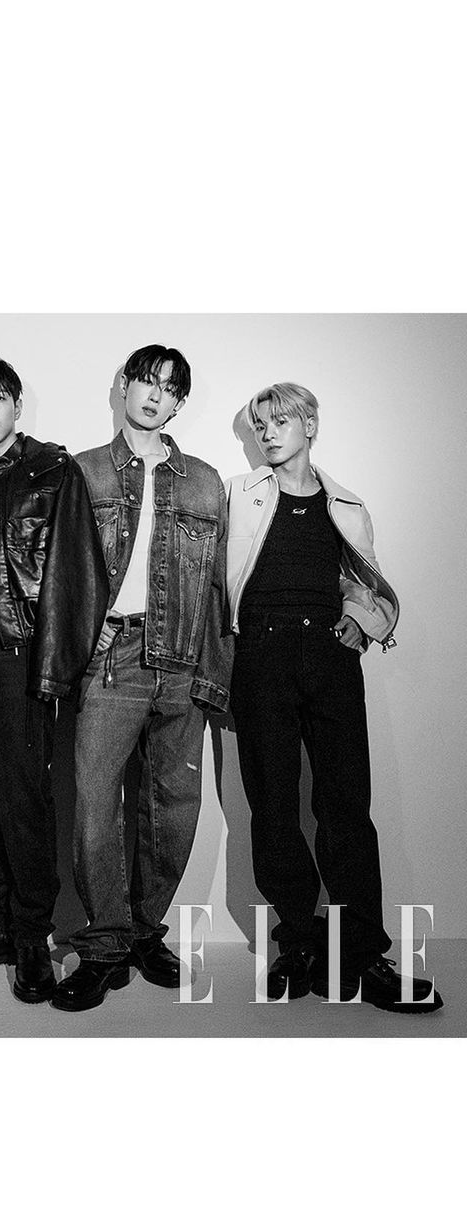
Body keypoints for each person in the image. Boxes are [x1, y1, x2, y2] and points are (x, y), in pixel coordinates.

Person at [227, 381, 441, 1011]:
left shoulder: (345, 504)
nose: (268, 433)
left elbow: (364, 580)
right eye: (260, 424)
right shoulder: (239, 494)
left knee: (346, 806)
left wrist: (360, 619)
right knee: (272, 806)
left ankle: (362, 955)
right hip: (260, 656)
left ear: (310, 425)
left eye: (280, 421)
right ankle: (296, 942)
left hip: (329, 658)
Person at [52, 344, 232, 1012]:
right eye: (147, 382)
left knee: (173, 808)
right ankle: (104, 944)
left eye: (170, 389)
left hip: (183, 657)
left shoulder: (206, 482)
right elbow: (61, 573)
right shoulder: (85, 471)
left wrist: (213, 674)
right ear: (123, 386)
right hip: (114, 655)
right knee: (96, 805)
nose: (156, 396)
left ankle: (143, 932)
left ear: (179, 403)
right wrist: (77, 646)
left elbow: (218, 588)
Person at [0, 356, 107, 1002]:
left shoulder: (52, 471)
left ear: (17, 406)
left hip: (18, 648)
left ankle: (33, 933)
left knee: (24, 794)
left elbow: (77, 571)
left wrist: (54, 668)